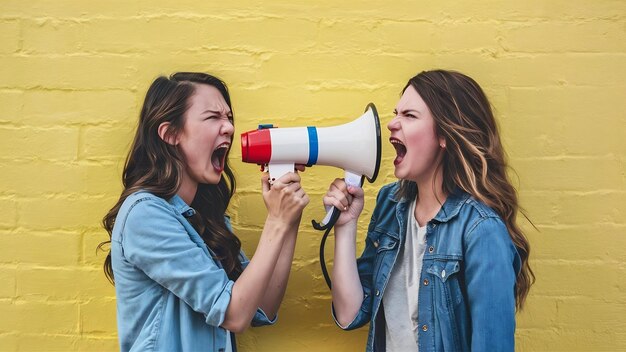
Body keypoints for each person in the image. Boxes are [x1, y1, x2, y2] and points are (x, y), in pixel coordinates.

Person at [324, 69, 534, 351]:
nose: (391, 124)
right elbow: (350, 314)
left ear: (445, 135)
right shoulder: (391, 204)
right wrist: (346, 226)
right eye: (396, 113)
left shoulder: (481, 229)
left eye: (409, 116)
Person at [98, 72, 309, 352]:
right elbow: (234, 313)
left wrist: (289, 217)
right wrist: (276, 222)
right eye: (213, 117)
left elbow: (261, 307)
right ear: (170, 133)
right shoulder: (144, 215)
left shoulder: (204, 218)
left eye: (229, 118)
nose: (229, 128)